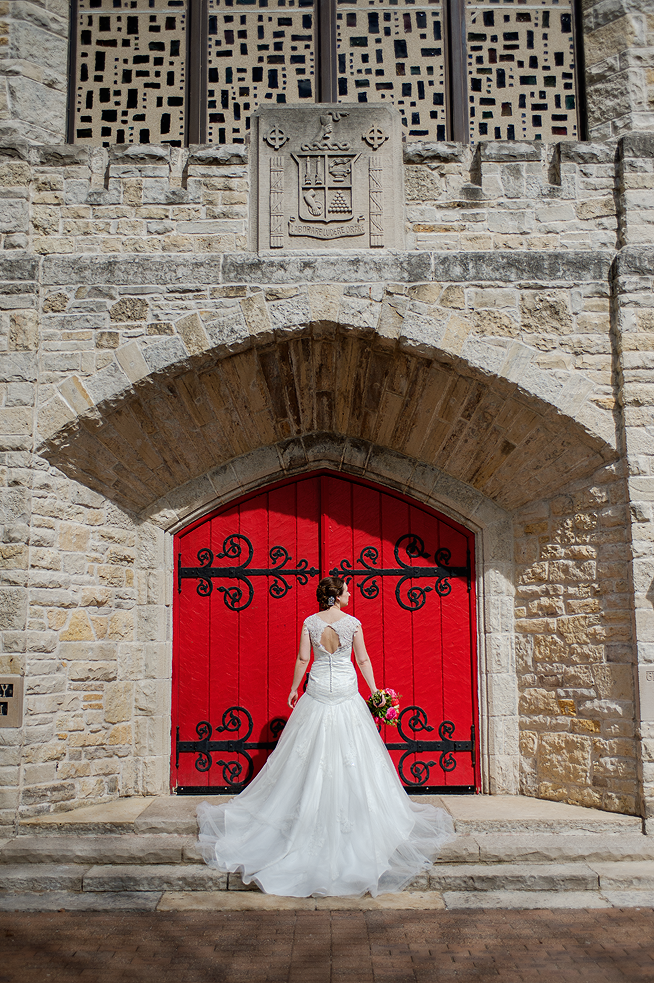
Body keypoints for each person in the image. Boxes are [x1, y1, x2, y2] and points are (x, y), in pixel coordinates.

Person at [197, 576, 455, 897]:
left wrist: (294, 687)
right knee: (354, 758)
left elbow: (304, 659)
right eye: (347, 591)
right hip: (346, 694)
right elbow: (362, 659)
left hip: (318, 692)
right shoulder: (353, 624)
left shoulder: (309, 623)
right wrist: (375, 692)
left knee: (307, 757)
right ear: (336, 596)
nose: (351, 595)